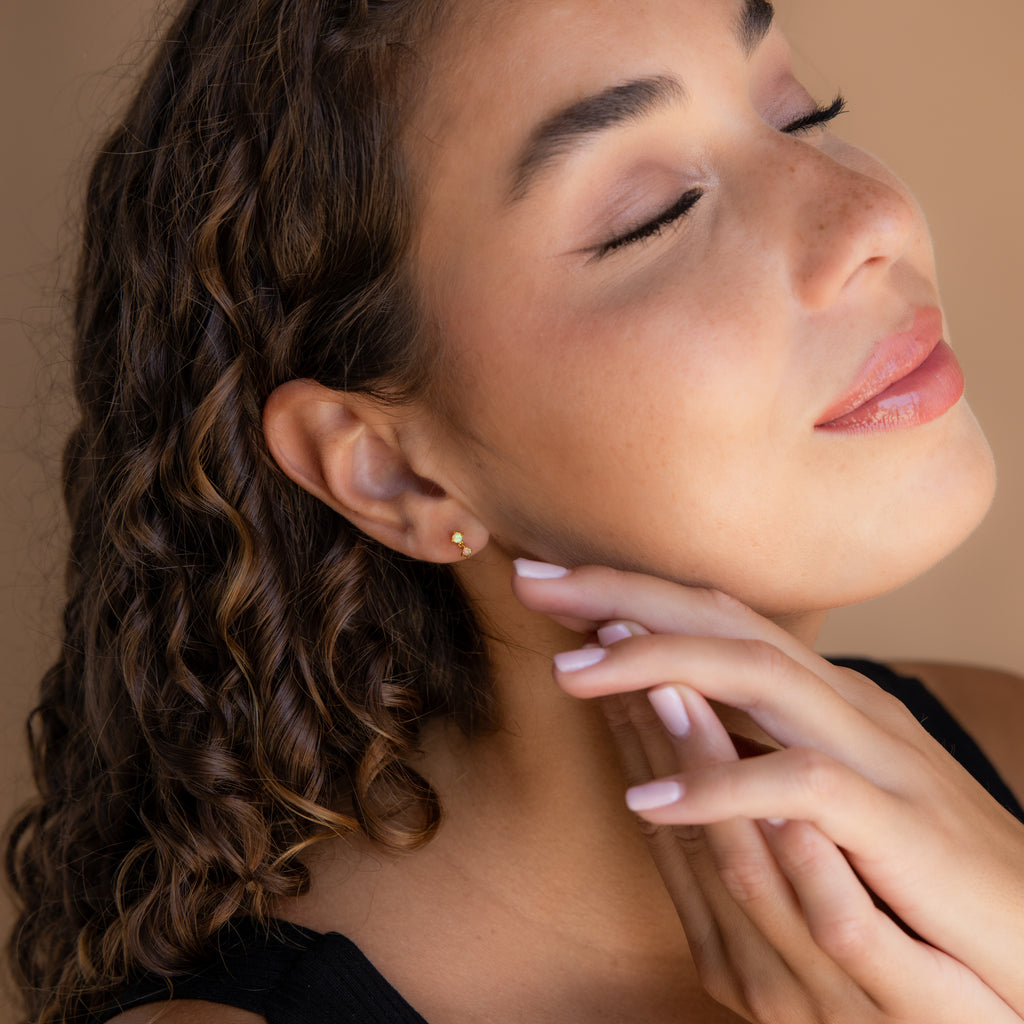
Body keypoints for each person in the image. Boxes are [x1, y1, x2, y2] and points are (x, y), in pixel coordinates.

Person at [6, 0, 1024, 1021]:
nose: (870, 217)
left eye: (797, 112)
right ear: (390, 472)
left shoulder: (1000, 749)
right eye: (655, 210)